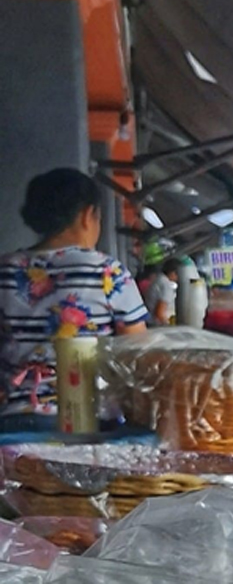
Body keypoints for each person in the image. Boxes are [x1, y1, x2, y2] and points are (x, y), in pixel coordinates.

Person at [0, 169, 147, 427]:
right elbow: (137, 353)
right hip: (90, 419)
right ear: (87, 216)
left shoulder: (5, 270)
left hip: (16, 420)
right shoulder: (107, 272)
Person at [145, 258, 182, 326]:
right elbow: (160, 313)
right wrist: (171, 327)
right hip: (157, 326)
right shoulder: (166, 285)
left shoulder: (159, 279)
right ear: (173, 272)